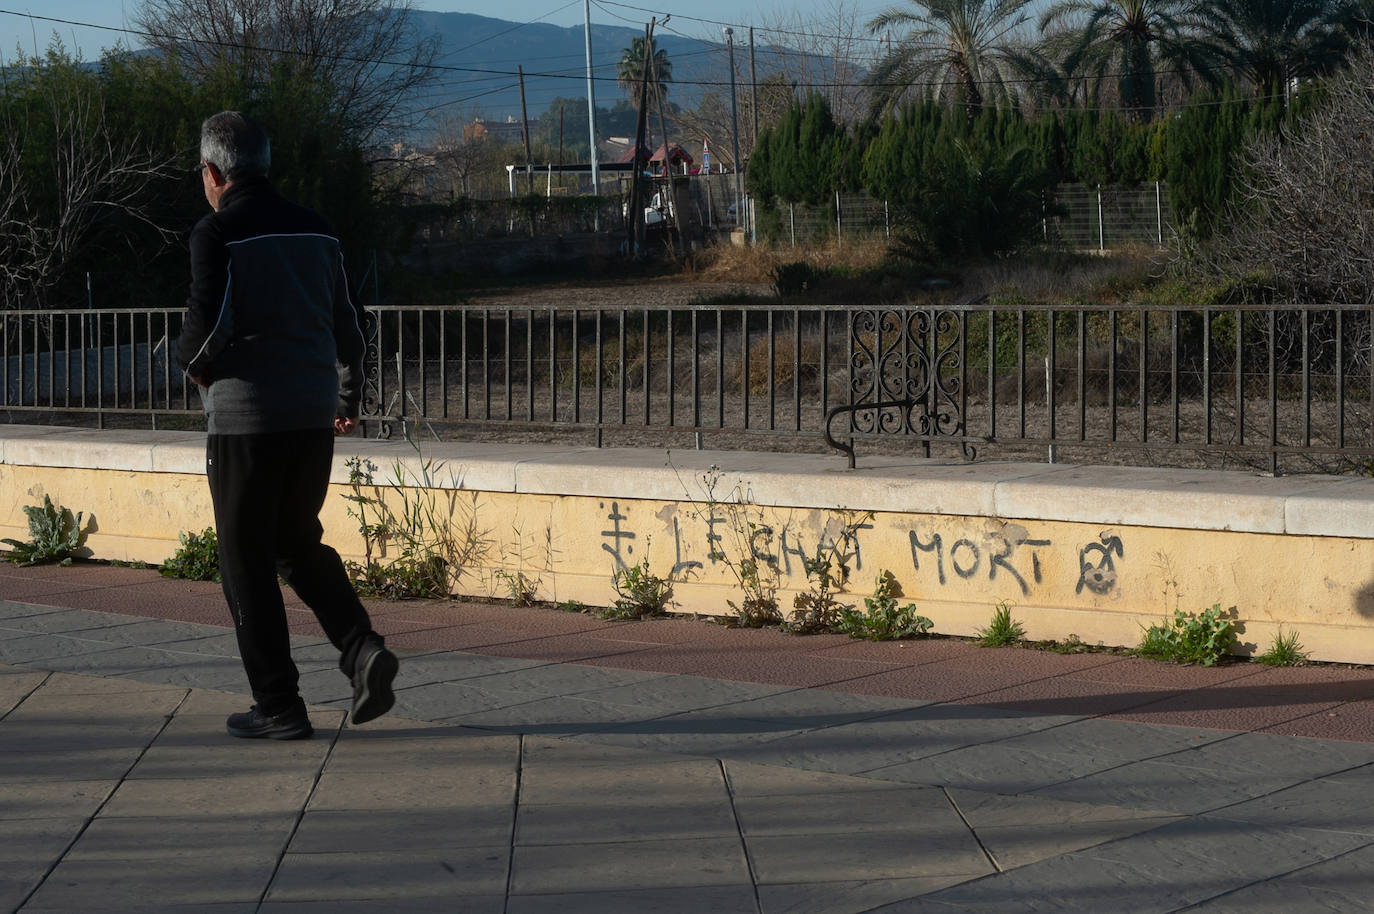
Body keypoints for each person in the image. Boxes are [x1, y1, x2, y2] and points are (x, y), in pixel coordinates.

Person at [175, 111, 397, 740]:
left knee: (243, 560)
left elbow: (207, 325)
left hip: (246, 421)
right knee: (295, 542)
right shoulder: (317, 230)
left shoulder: (217, 232)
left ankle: (277, 705)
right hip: (311, 414)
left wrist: (191, 364)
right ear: (265, 164)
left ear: (212, 172)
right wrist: (347, 395)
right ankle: (360, 648)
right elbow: (350, 324)